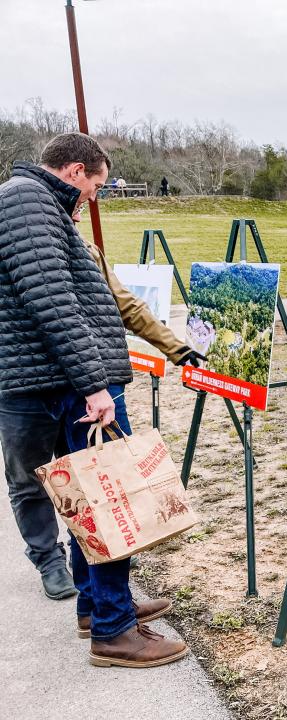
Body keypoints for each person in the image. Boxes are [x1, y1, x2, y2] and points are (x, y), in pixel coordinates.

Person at [0, 133, 201, 668]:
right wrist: (94, 383)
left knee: (88, 497)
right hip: (70, 385)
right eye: (96, 184)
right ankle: (114, 631)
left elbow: (97, 301)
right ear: (73, 170)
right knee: (109, 500)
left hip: (55, 379)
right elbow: (52, 301)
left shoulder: (37, 206)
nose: (94, 195)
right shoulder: (28, 202)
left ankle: (98, 606)